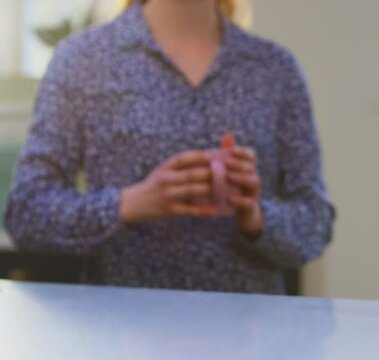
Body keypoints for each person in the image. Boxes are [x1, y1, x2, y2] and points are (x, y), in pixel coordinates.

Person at [4, 0, 334, 294]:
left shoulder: (273, 69)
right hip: (122, 328)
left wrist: (255, 216)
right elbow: (27, 215)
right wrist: (129, 204)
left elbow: (315, 225)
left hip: (249, 333)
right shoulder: (83, 62)